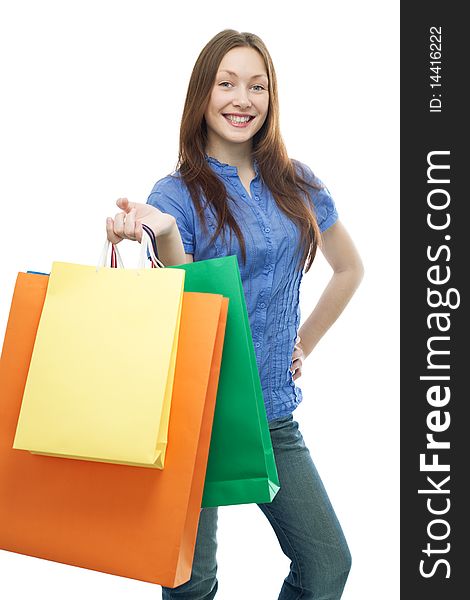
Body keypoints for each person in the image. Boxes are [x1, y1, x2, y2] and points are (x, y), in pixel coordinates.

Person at [106, 29, 363, 600]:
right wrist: (166, 233)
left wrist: (304, 343)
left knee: (326, 566)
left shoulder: (298, 182)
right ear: (203, 94)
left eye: (257, 85)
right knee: (191, 586)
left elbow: (349, 269)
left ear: (271, 99)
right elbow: (186, 294)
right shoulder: (175, 194)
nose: (241, 99)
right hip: (190, 420)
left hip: (271, 413)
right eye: (226, 83)